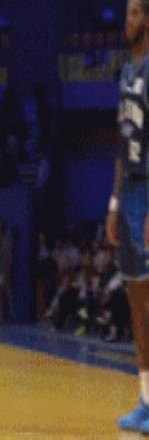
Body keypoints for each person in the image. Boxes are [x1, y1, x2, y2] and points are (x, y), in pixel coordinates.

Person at [107, 0, 149, 433]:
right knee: (137, 301)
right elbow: (122, 144)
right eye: (126, 13)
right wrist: (114, 203)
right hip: (130, 192)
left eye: (136, 13)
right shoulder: (125, 73)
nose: (128, 20)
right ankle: (146, 400)